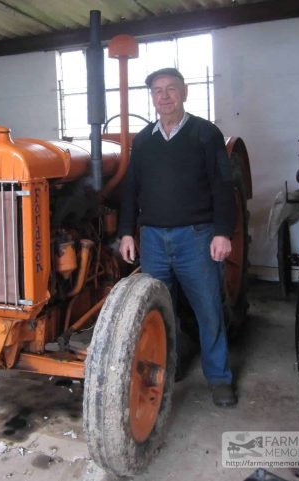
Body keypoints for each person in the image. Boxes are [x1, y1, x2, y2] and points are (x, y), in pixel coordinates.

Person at [118, 67, 237, 407]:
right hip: (153, 239)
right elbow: (132, 189)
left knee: (208, 309)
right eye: (158, 90)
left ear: (184, 93)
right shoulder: (143, 140)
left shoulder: (205, 133)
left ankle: (219, 379)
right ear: (153, 97)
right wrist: (127, 231)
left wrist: (223, 233)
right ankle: (166, 370)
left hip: (197, 238)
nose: (165, 96)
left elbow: (222, 186)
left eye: (171, 89)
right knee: (157, 312)